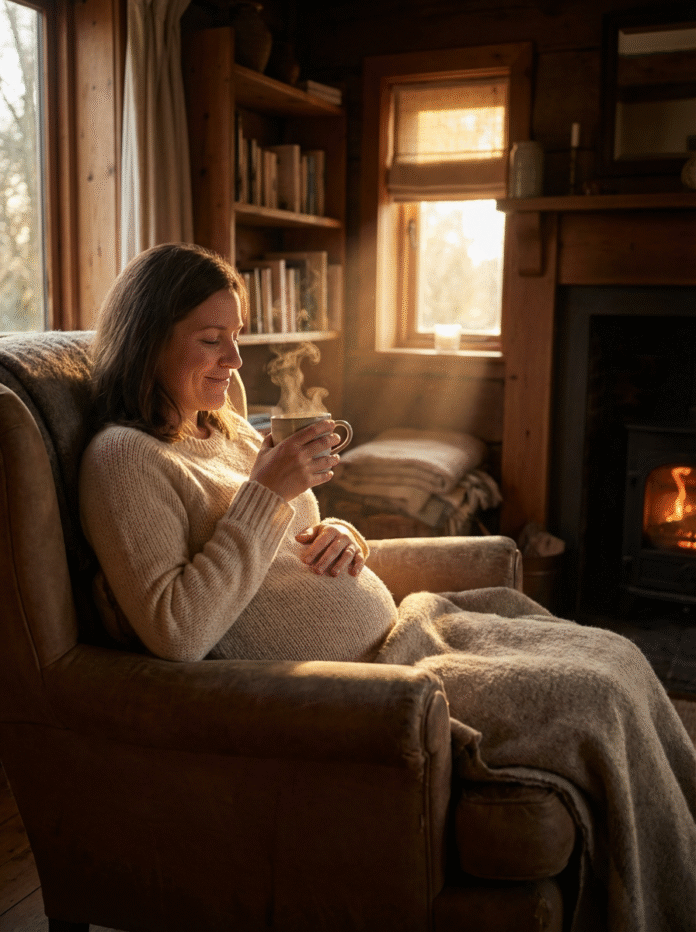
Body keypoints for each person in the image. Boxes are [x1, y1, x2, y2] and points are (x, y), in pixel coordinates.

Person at [80, 242, 696, 932]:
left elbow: (281, 539)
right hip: (379, 685)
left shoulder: (218, 428)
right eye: (212, 340)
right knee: (596, 697)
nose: (235, 361)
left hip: (413, 629)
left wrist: (343, 534)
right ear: (149, 338)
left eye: (238, 339)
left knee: (617, 658)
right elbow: (177, 631)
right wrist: (265, 492)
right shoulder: (125, 460)